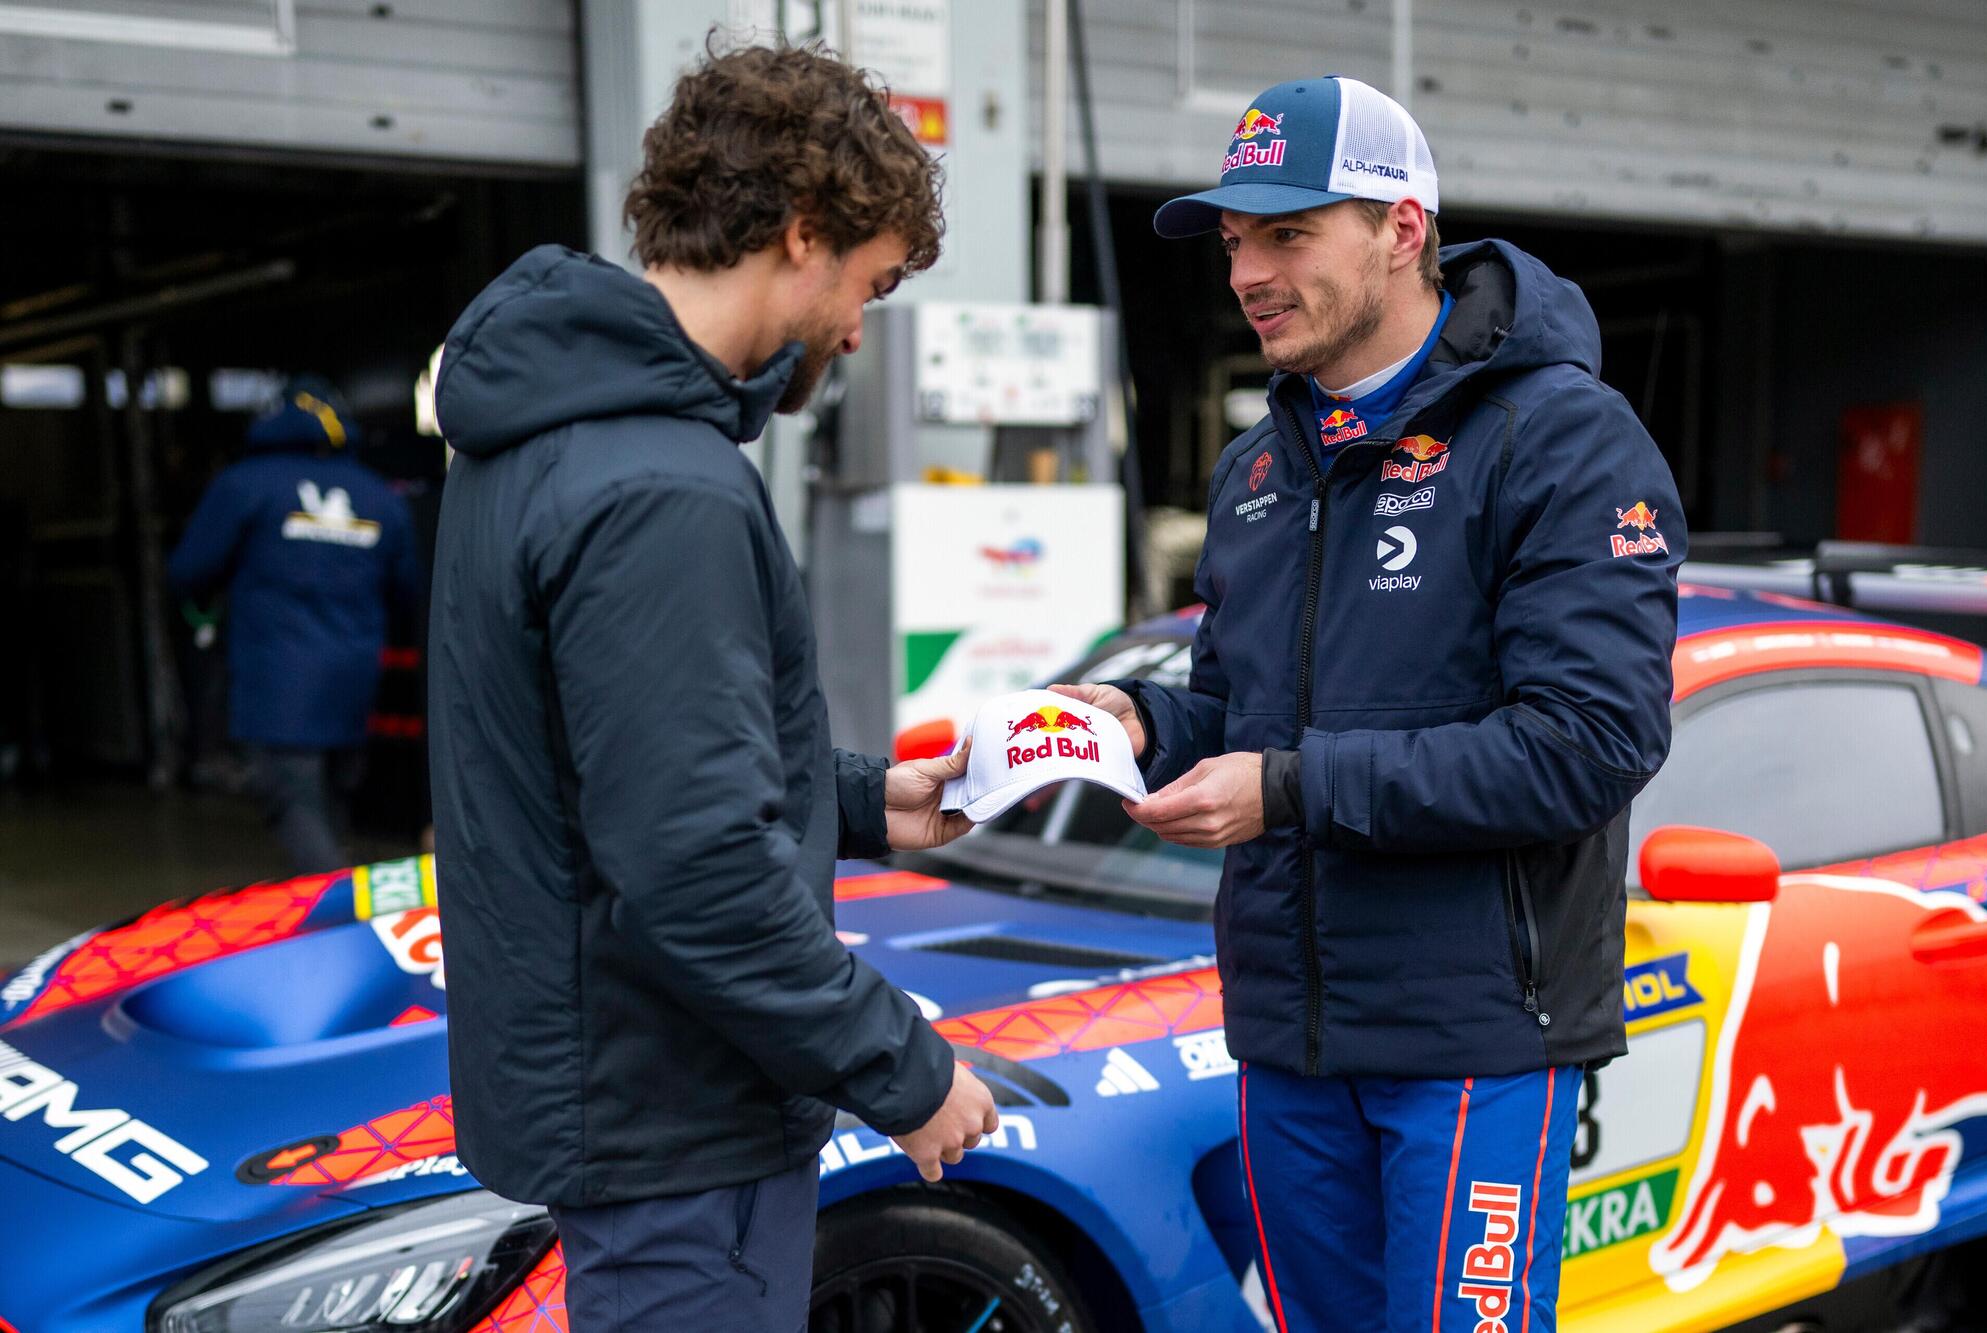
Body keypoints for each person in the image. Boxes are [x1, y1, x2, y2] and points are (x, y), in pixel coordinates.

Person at [1056, 75, 1683, 1332]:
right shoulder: (1259, 459)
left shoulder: (1560, 437)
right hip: (1286, 1039)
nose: (1245, 273)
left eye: (1285, 235)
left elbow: (1588, 745)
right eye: (1234, 240)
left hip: (1471, 1044)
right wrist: (1134, 723)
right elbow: (1235, 710)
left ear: (1402, 230)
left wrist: (1283, 788)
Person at [427, 39, 996, 1333]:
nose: (859, 327)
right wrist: (907, 1068)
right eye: (872, 281)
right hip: (681, 1128)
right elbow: (694, 869)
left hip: (626, 1100)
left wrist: (864, 801)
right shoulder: (659, 485)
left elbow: (615, 773)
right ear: (803, 233)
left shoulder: (542, 435)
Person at [167, 375, 420, 873]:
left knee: (295, 807)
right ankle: (338, 902)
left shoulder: (245, 484)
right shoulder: (380, 496)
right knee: (333, 804)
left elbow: (187, 571)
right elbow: (408, 591)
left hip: (277, 684)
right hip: (354, 681)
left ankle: (337, 914)